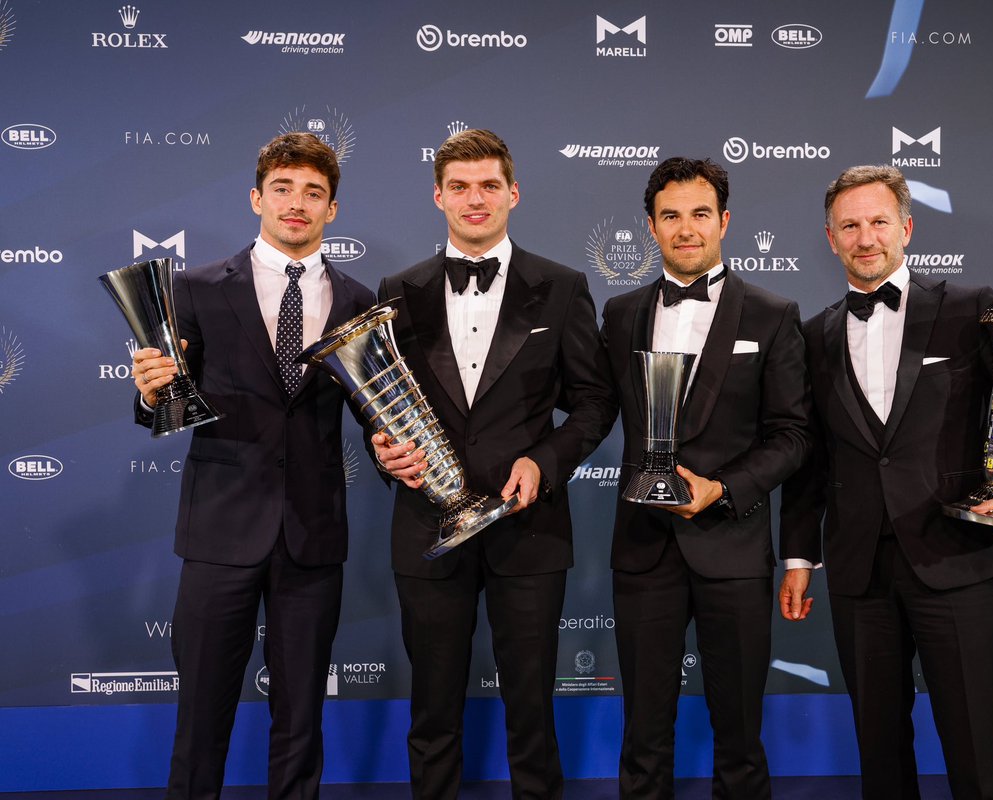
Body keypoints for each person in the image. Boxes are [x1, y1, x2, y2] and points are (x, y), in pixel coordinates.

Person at [779, 165, 993, 800]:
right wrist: (800, 555)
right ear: (830, 238)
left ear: (906, 228)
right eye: (849, 225)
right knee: (879, 753)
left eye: (879, 222)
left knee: (976, 744)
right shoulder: (813, 335)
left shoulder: (970, 308)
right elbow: (810, 458)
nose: (865, 238)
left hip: (955, 556)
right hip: (859, 570)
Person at [370, 128, 616, 800]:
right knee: (433, 707)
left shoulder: (563, 287)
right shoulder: (399, 287)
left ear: (513, 192)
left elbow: (595, 403)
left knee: (532, 707)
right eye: (459, 187)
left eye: (487, 185)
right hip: (427, 525)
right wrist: (381, 447)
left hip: (527, 529)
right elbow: (378, 399)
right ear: (438, 197)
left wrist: (546, 458)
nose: (474, 199)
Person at [130, 132, 376, 799]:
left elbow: (372, 412)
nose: (297, 204)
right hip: (219, 532)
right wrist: (150, 391)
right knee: (201, 715)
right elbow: (165, 407)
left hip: (312, 534)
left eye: (313, 193)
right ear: (256, 198)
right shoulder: (196, 288)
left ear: (332, 210)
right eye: (283, 189)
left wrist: (391, 446)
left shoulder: (358, 299)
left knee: (301, 719)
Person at [600, 157, 813, 799]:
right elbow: (584, 406)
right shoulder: (620, 312)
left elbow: (794, 434)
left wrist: (723, 489)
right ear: (651, 226)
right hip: (643, 547)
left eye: (699, 214)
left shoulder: (773, 314)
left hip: (734, 544)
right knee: (642, 734)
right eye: (671, 216)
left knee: (741, 736)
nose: (685, 229)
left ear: (725, 221)